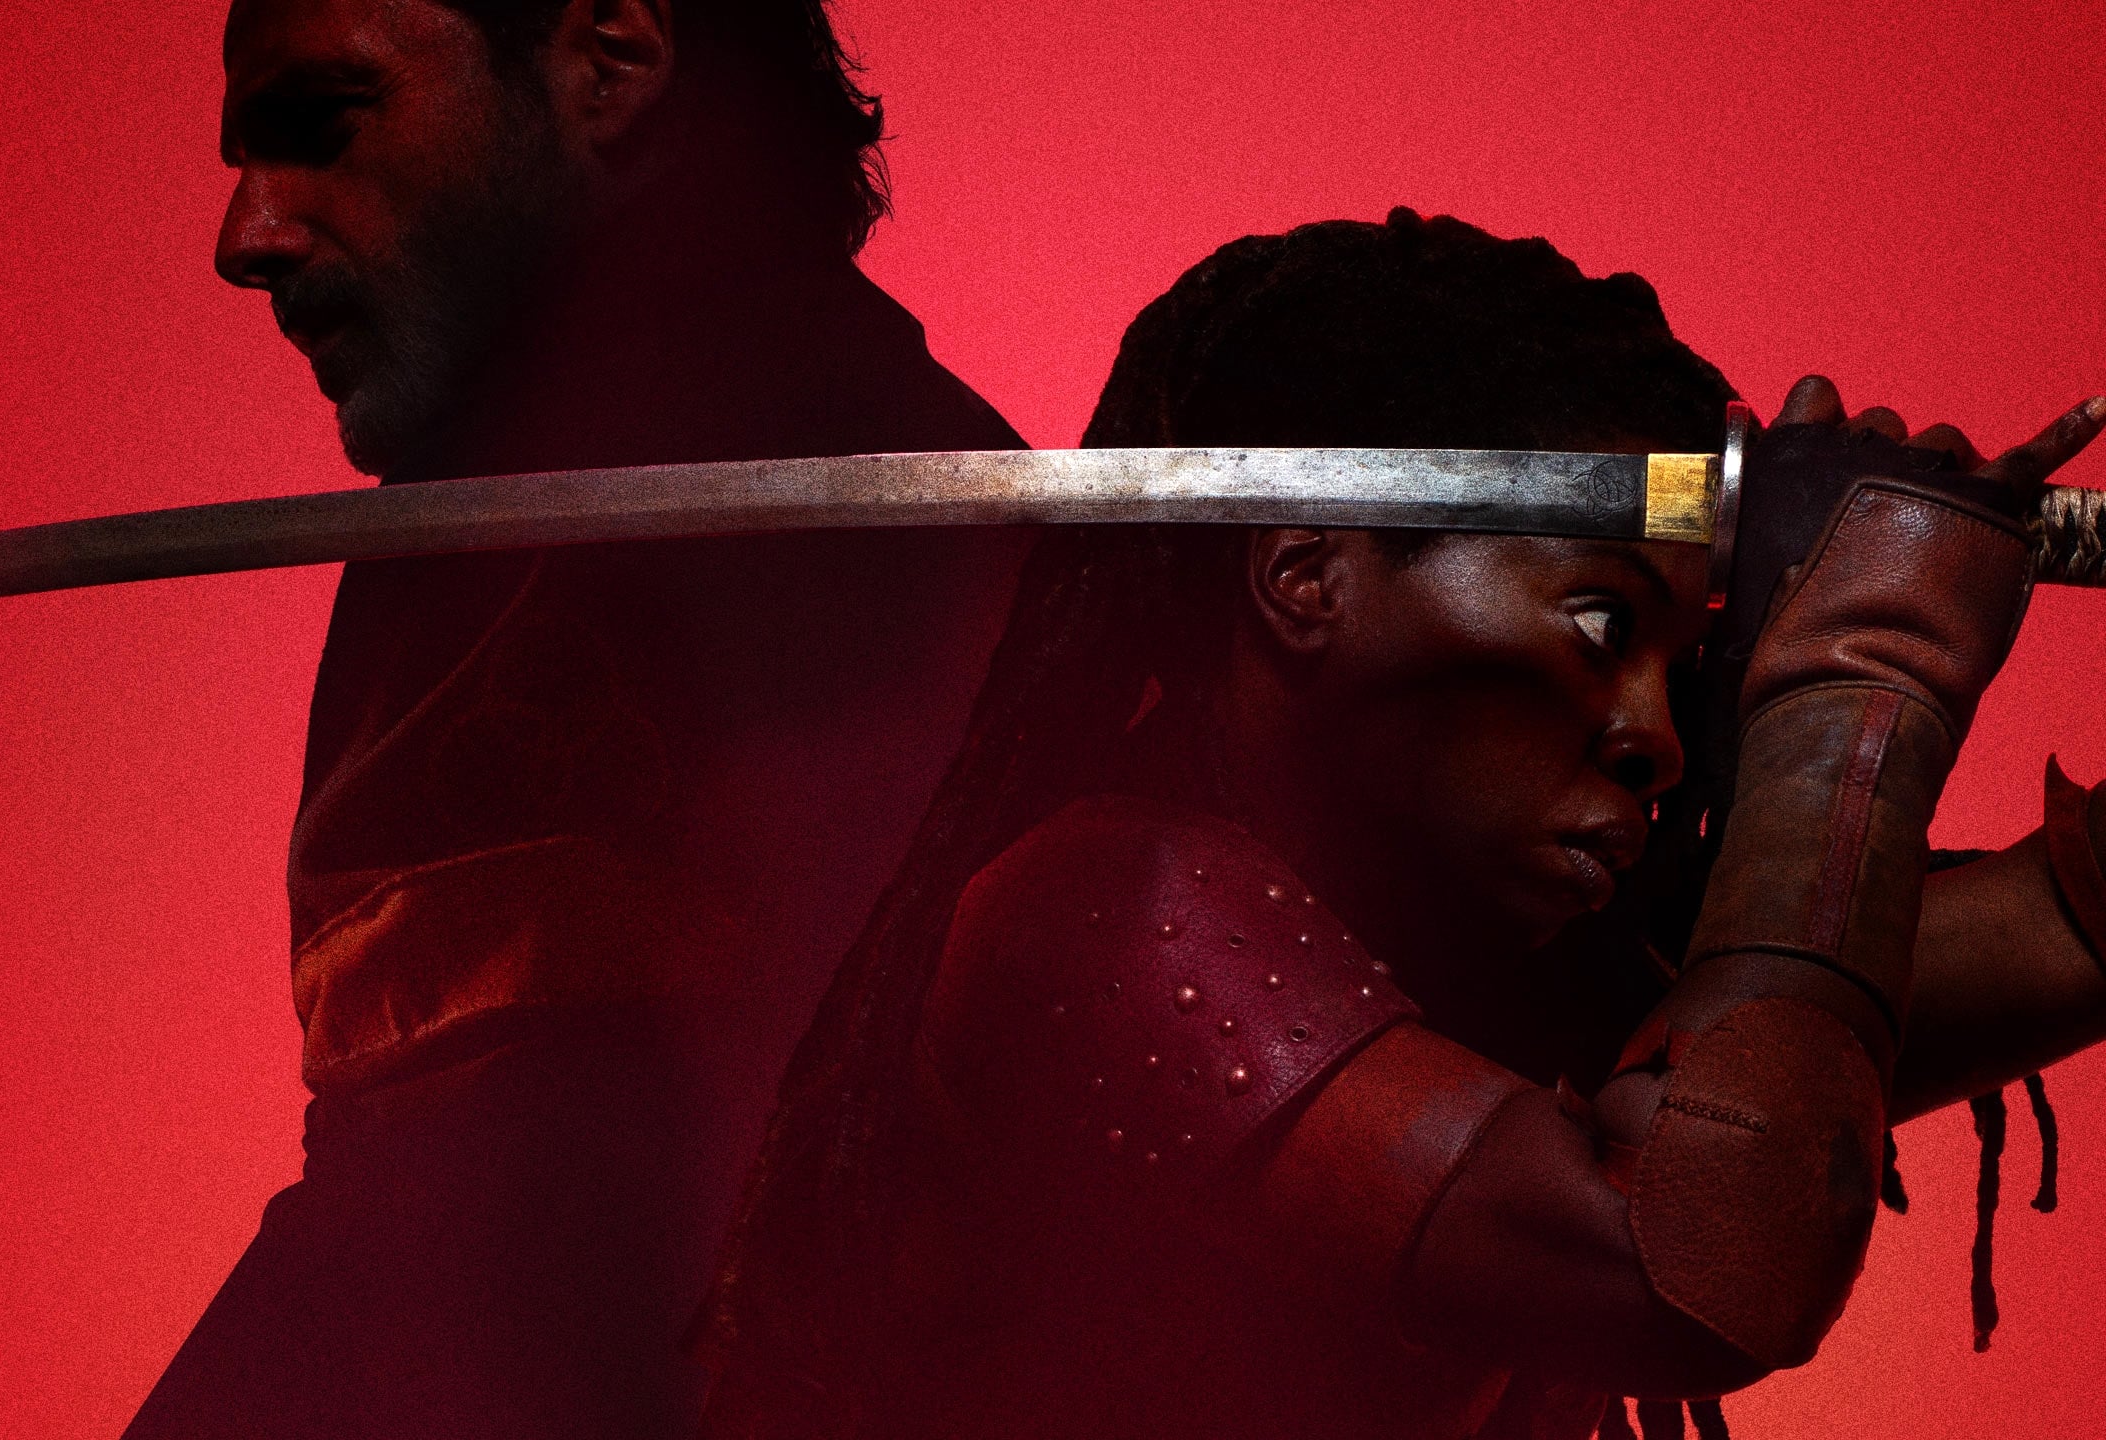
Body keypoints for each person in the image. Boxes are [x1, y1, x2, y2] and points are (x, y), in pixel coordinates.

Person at [695, 209, 2106, 1439]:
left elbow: (2073, 924)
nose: (1662, 739)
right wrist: (1863, 667)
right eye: (1602, 623)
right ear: (1307, 576)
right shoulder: (1109, 907)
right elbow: (1686, 1266)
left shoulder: (1523, 980)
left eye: (1689, 668)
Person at [126, 0, 1028, 1435]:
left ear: (610, 61)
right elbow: (396, 1197)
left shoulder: (877, 514)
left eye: (325, 124)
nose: (248, 236)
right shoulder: (463, 528)